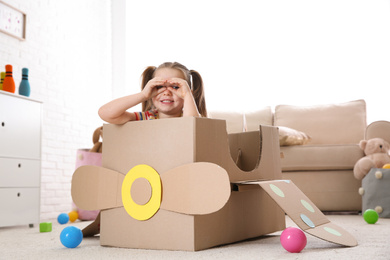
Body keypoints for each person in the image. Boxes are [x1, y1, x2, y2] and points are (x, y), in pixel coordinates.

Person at [98, 62, 207, 124]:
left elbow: (192, 128)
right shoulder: (144, 118)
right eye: (159, 87)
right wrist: (143, 95)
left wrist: (188, 96)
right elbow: (105, 113)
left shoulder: (191, 115)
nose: (166, 93)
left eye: (175, 87)